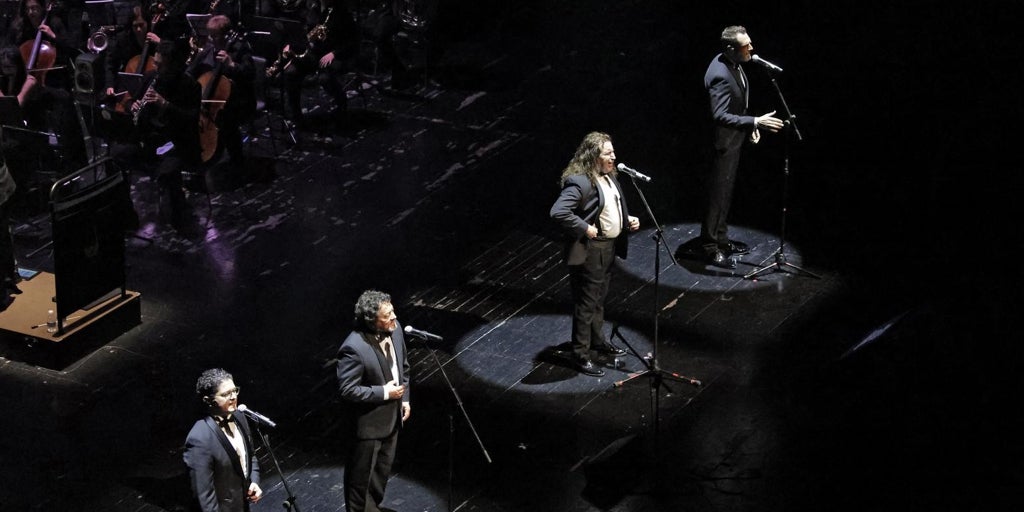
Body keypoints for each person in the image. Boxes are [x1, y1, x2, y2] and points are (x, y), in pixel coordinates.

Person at [550, 132, 640, 377]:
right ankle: (580, 354)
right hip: (591, 250)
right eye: (607, 153)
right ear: (593, 157)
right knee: (586, 303)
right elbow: (558, 212)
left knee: (599, 298)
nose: (613, 156)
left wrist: (627, 220)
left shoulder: (610, 177)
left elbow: (611, 208)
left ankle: (598, 341)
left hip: (608, 248)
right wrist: (584, 227)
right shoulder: (580, 182)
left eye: (613, 151)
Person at [700, 25, 784, 269]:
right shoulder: (719, 74)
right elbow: (719, 115)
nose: (751, 48)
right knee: (717, 196)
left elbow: (737, 106)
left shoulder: (733, 64)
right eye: (746, 45)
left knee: (725, 193)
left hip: (733, 140)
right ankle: (709, 247)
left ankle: (722, 239)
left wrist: (750, 127)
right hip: (721, 145)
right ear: (730, 49)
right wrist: (755, 121)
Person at [111, 39, 200, 230]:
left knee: (168, 171)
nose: (155, 67)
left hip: (177, 144)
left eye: (160, 64)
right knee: (116, 156)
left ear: (174, 64)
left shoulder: (190, 85)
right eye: (155, 63)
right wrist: (131, 104)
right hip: (150, 141)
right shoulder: (151, 77)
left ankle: (179, 215)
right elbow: (132, 100)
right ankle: (127, 215)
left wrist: (165, 105)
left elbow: (191, 119)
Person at [336, 289, 411, 512]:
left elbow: (403, 368)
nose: (394, 317)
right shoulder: (353, 348)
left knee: (379, 477)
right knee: (360, 485)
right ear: (371, 320)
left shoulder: (395, 331)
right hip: (368, 428)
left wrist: (404, 398)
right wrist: (384, 393)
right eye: (387, 315)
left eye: (393, 311)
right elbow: (348, 390)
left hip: (392, 420)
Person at [183, 368, 263, 512]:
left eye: (234, 391)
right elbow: (204, 497)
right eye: (226, 394)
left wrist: (254, 481)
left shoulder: (240, 416)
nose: (233, 397)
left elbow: (251, 456)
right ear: (209, 401)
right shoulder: (199, 438)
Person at [186, 14, 256, 168]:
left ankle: (237, 160)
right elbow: (190, 72)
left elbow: (250, 74)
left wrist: (232, 65)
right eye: (210, 35)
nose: (211, 39)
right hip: (212, 101)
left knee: (226, 120)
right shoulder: (209, 48)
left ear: (226, 35)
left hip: (240, 101)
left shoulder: (240, 48)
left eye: (214, 36)